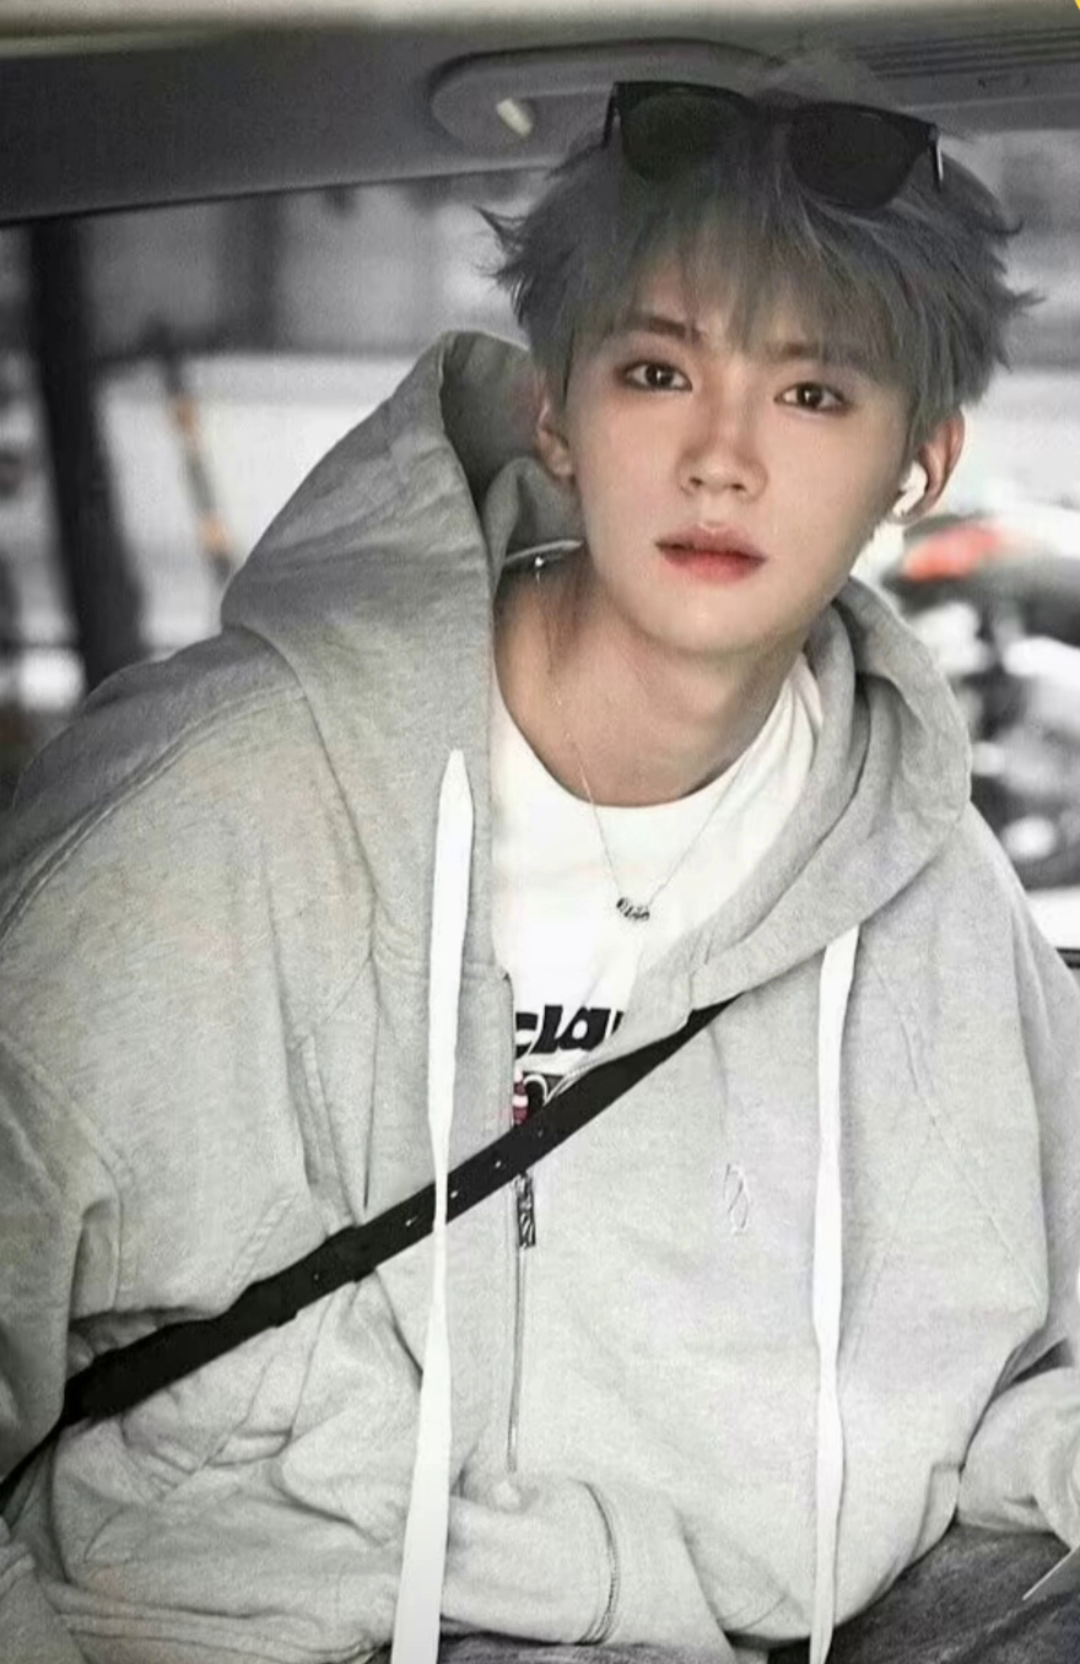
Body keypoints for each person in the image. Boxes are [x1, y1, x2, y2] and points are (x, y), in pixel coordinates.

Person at [1, 51, 1079, 1664]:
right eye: (657, 371)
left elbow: (1007, 1367)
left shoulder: (921, 875)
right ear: (559, 414)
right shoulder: (208, 803)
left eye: (812, 394)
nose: (722, 457)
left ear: (917, 464)